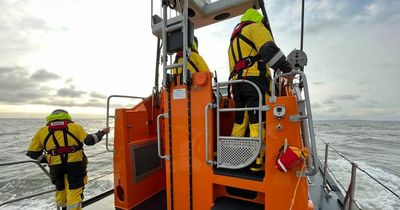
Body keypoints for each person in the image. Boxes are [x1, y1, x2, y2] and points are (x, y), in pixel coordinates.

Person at [228, 8, 292, 171]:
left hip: (237, 85)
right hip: (255, 82)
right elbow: (268, 50)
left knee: (240, 120)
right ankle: (257, 160)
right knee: (258, 120)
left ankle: (235, 155)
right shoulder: (256, 28)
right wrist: (287, 69)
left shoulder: (233, 43)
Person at [26, 109, 110, 210]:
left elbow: (33, 153)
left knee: (61, 191)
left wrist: (48, 159)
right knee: (74, 193)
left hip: (56, 168)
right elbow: (90, 140)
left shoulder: (41, 131)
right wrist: (102, 132)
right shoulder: (75, 127)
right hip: (76, 166)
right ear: (67, 116)